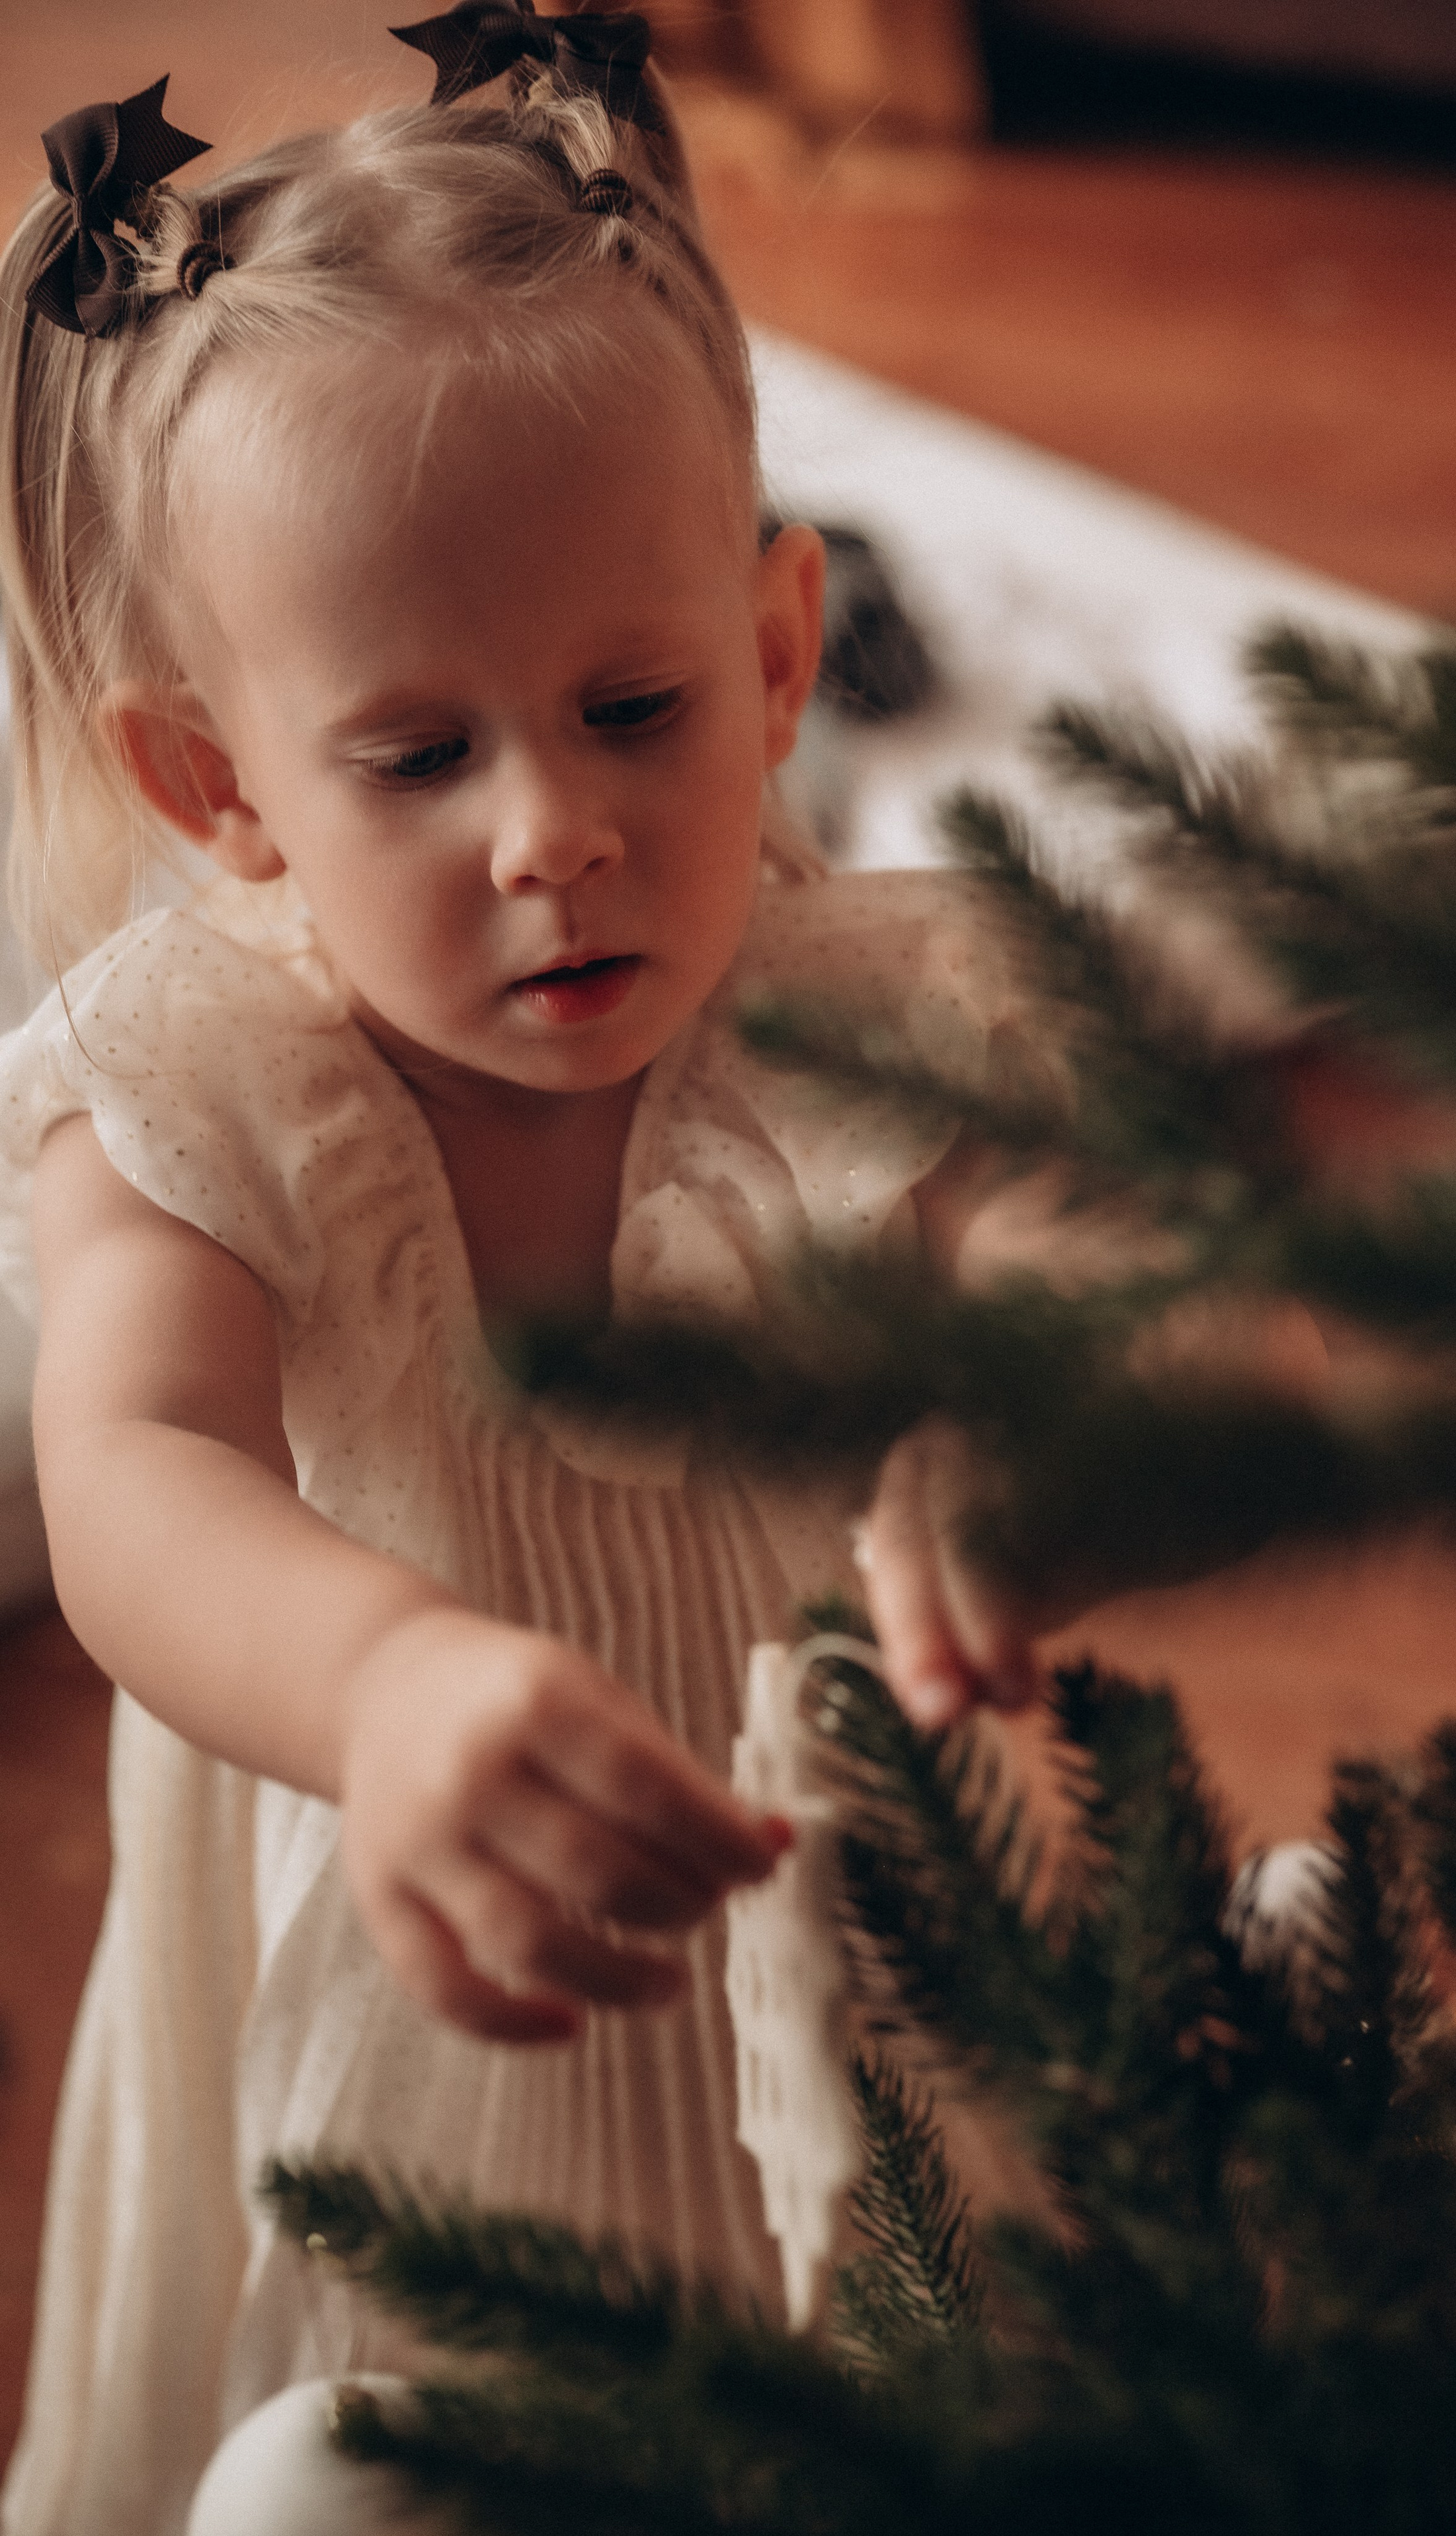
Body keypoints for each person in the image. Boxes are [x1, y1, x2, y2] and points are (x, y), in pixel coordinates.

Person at [0, 19, 1044, 2531]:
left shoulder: (876, 1015)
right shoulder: (203, 1096)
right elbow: (131, 1477)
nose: (556, 831)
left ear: (783, 658)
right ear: (220, 786)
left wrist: (1032, 1445)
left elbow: (1079, 1231)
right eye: (419, 754)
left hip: (870, 1961)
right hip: (442, 2014)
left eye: (635, 707)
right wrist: (377, 1675)